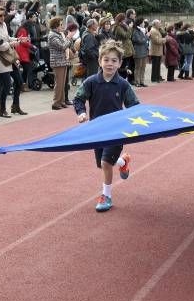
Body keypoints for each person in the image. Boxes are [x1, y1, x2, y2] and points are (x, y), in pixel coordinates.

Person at [72, 40, 139, 212]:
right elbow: (78, 98)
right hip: (97, 130)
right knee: (102, 163)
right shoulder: (91, 82)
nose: (110, 64)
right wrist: (81, 112)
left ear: (120, 63)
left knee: (105, 163)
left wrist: (137, 121)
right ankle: (123, 161)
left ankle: (106, 195)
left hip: (117, 131)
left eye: (114, 60)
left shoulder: (123, 84)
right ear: (100, 60)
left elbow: (135, 106)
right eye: (106, 60)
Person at [0, 6, 25, 117]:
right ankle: (2, 109)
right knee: (7, 85)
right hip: (0, 58)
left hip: (8, 56)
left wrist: (18, 39)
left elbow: (7, 38)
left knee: (19, 81)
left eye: (4, 15)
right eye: (0, 15)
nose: (3, 17)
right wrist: (12, 44)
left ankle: (15, 106)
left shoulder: (3, 24)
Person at [48, 16, 76, 110]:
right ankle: (56, 103)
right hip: (57, 62)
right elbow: (62, 47)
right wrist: (68, 37)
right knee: (59, 84)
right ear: (56, 26)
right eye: (61, 24)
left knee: (63, 83)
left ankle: (62, 101)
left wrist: (68, 38)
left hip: (62, 61)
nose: (63, 26)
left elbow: (66, 45)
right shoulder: (52, 35)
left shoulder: (59, 34)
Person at [131, 16, 149, 87]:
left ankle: (142, 81)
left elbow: (143, 40)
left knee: (143, 67)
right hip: (138, 51)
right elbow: (139, 41)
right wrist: (146, 36)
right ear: (140, 23)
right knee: (138, 67)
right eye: (143, 22)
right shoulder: (136, 31)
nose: (144, 23)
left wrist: (145, 37)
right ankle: (137, 82)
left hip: (144, 51)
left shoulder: (143, 30)